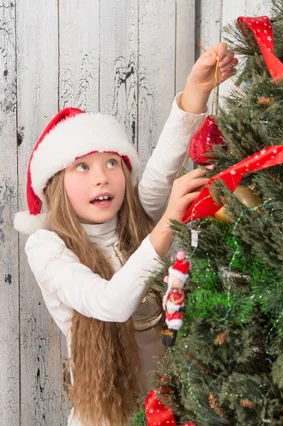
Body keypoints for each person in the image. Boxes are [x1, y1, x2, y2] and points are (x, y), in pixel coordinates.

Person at [14, 43, 237, 426]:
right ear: (54, 185)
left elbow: (166, 166)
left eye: (112, 162)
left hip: (171, 408)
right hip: (107, 418)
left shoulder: (134, 220)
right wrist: (169, 220)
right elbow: (109, 304)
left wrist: (197, 90)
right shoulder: (47, 246)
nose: (101, 176)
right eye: (81, 167)